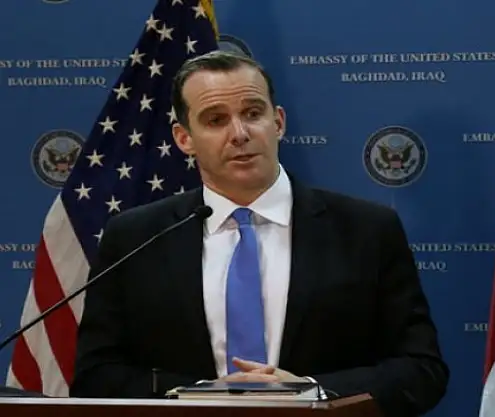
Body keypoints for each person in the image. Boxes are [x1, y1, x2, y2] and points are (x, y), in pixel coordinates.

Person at [69, 50, 449, 417]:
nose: (239, 133)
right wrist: (198, 397)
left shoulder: (366, 230)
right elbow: (96, 375)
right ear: (184, 139)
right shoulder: (135, 238)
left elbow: (421, 370)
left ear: (278, 122)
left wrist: (311, 392)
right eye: (215, 120)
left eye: (253, 114)